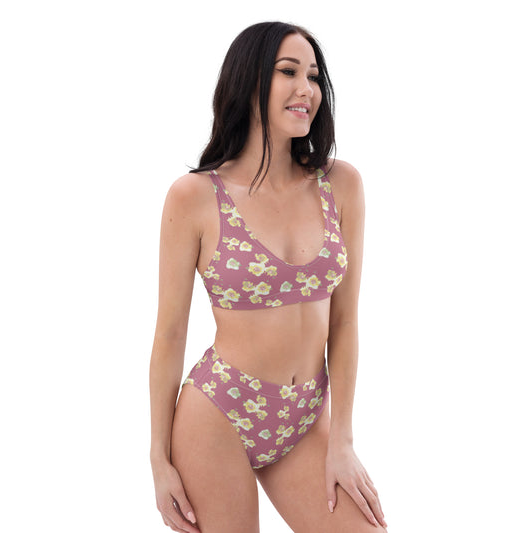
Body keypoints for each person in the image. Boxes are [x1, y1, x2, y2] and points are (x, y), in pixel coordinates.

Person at [149, 21, 388, 533]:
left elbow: (345, 322)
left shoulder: (341, 185)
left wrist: (342, 440)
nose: (307, 89)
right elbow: (170, 333)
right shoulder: (194, 197)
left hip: (306, 417)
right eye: (288, 72)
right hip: (218, 413)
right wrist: (158, 459)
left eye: (314, 76)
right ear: (249, 80)